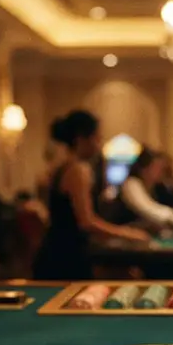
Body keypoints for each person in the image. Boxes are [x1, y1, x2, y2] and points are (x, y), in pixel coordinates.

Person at [35, 110, 149, 279]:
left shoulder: (61, 166)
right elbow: (86, 222)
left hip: (58, 251)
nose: (99, 143)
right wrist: (128, 234)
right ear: (81, 139)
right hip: (66, 258)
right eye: (97, 137)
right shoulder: (78, 170)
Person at [120, 148, 173, 233]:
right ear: (144, 169)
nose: (161, 172)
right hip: (122, 235)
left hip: (144, 235)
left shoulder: (159, 187)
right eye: (156, 167)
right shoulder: (131, 184)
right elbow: (148, 209)